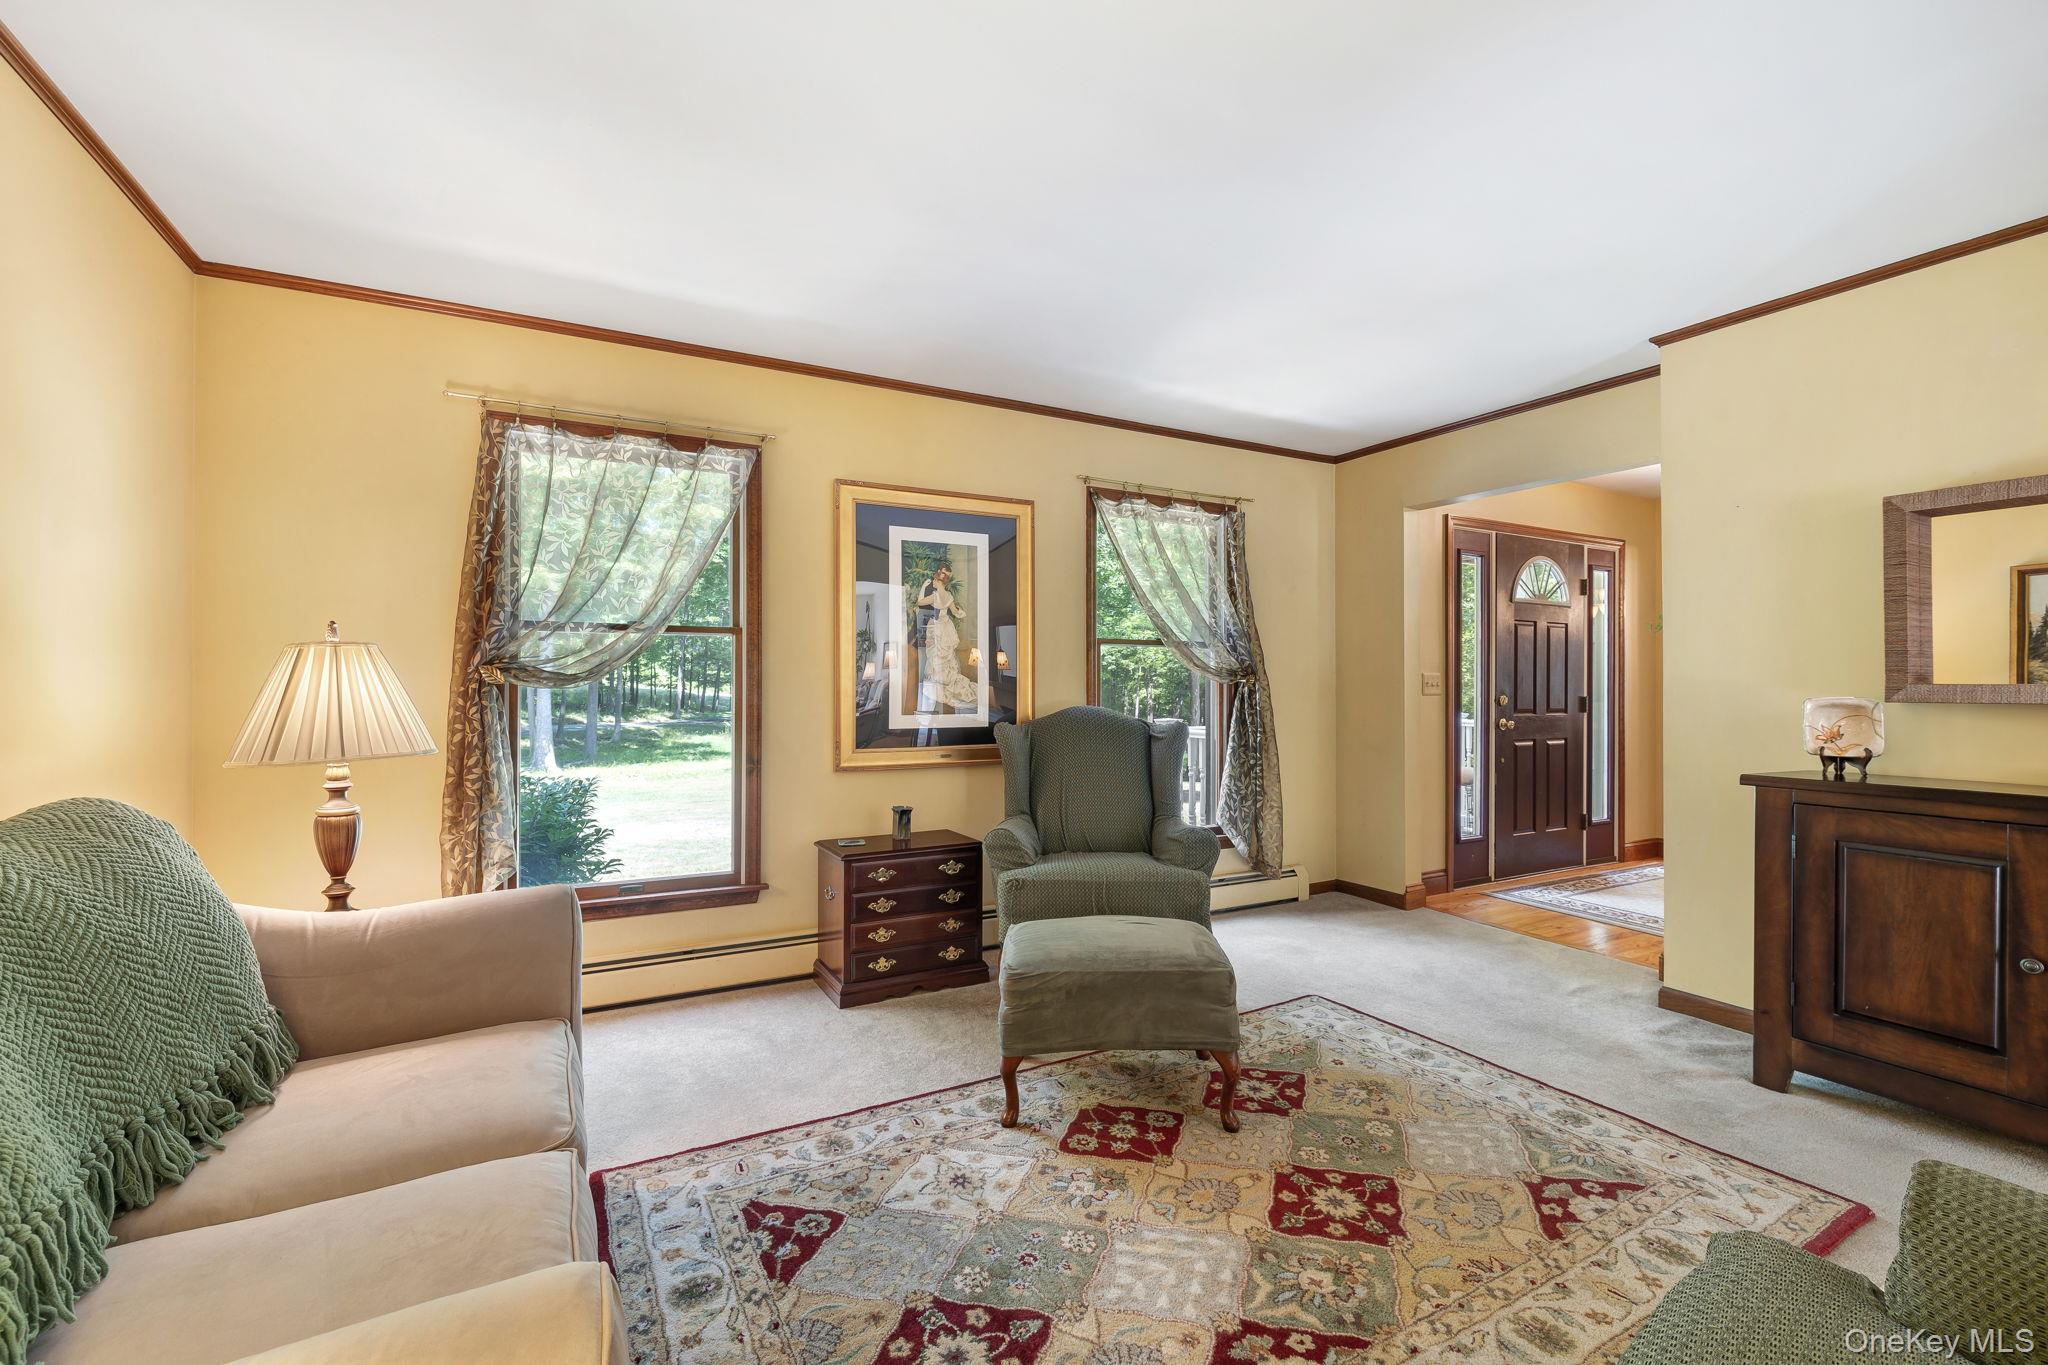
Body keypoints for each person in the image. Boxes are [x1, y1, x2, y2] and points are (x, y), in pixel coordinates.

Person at [915, 563, 981, 711]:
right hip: (946, 626)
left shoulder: (935, 595)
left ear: (937, 581)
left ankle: (940, 687)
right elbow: (957, 612)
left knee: (937, 657)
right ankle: (946, 684)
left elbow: (919, 602)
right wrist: (961, 612)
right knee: (946, 658)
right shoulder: (949, 596)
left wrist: (923, 587)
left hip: (938, 627)